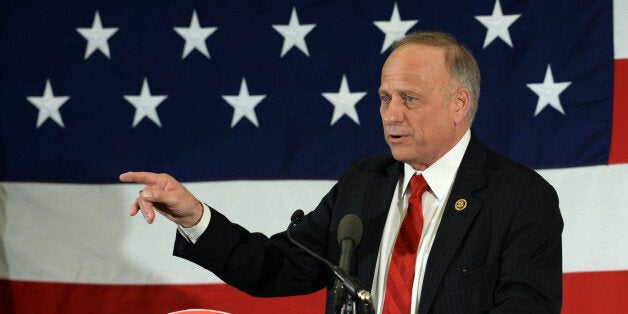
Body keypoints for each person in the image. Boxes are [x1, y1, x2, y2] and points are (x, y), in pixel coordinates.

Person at [120, 31, 563, 313]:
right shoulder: (365, 182)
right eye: (385, 98)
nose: (391, 115)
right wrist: (194, 215)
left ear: (459, 105)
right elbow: (278, 269)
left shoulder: (521, 197)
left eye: (409, 99)